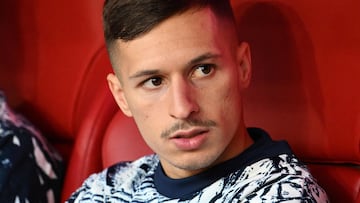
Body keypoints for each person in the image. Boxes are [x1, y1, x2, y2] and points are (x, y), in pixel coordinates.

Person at [67, 0, 329, 202]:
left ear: (242, 67)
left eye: (203, 70)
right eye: (154, 81)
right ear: (121, 97)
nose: (182, 108)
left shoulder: (282, 194)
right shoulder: (103, 189)